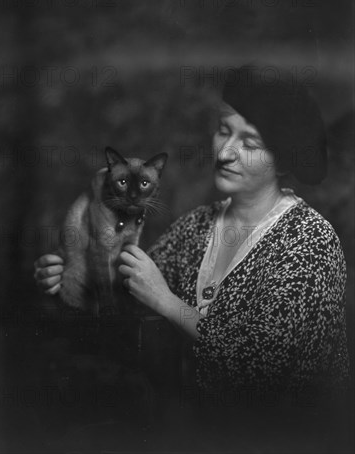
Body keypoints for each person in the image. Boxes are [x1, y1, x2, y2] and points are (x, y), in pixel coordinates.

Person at [34, 67, 349, 432]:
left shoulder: (309, 239)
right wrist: (75, 279)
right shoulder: (196, 225)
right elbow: (129, 302)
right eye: (223, 130)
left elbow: (262, 369)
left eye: (250, 143)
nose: (226, 152)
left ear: (285, 160)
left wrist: (167, 301)